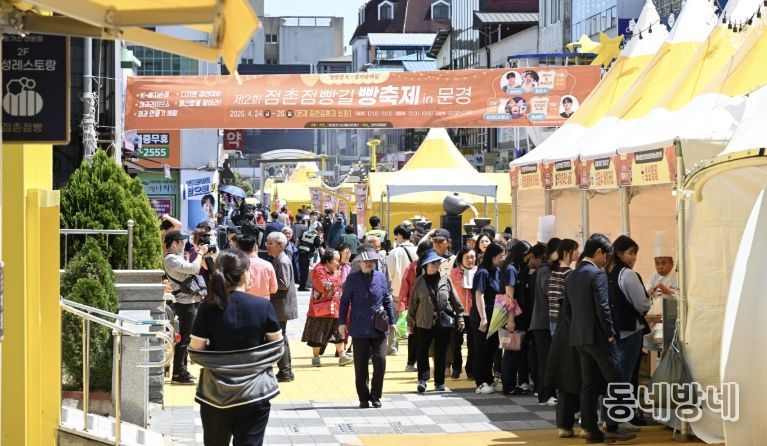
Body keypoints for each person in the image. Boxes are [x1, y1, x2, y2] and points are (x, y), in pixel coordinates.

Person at [188, 250, 284, 446]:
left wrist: (219, 361)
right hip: (255, 393)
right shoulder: (262, 306)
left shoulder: (208, 307)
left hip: (215, 394)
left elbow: (195, 350)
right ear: (245, 274)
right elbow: (277, 348)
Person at [565, 234, 635, 443]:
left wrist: (579, 329)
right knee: (616, 381)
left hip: (580, 338)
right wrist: (610, 333)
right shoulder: (597, 274)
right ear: (598, 252)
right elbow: (603, 307)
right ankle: (612, 426)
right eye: (606, 256)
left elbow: (566, 311)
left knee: (588, 385)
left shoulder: (572, 275)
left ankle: (591, 429)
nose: (606, 261)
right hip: (599, 337)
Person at [338, 248, 398, 408]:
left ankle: (376, 395)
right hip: (359, 327)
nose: (368, 264)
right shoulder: (352, 279)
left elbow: (386, 300)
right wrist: (342, 322)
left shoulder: (380, 277)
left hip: (379, 325)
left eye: (371, 261)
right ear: (359, 263)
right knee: (361, 364)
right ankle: (363, 398)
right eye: (365, 261)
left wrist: (392, 321)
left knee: (380, 361)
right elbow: (344, 302)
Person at [608, 235, 651, 429]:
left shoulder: (608, 273)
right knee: (624, 377)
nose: (634, 257)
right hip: (630, 331)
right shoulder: (628, 275)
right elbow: (642, 304)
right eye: (631, 253)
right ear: (619, 253)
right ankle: (619, 418)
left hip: (614, 331)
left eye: (635, 254)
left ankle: (612, 418)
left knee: (616, 376)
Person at [408, 250, 465, 393]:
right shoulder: (419, 281)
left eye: (437, 263)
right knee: (422, 352)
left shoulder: (446, 279)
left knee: (440, 352)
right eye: (432, 263)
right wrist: (410, 322)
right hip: (423, 322)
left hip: (442, 322)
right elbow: (413, 303)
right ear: (425, 266)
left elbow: (456, 301)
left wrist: (460, 317)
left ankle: (439, 382)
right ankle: (422, 380)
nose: (435, 265)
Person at [163, 230, 209, 384]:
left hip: (190, 300)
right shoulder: (170, 259)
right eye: (181, 242)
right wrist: (200, 253)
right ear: (174, 243)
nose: (183, 244)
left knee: (187, 338)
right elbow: (194, 268)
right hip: (184, 303)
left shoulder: (176, 257)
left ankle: (182, 370)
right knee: (184, 338)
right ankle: (177, 373)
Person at [302, 249, 354, 367]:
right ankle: (316, 358)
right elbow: (323, 286)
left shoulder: (335, 270)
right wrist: (335, 277)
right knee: (317, 334)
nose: (338, 263)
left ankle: (342, 355)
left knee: (338, 333)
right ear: (328, 260)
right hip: (320, 309)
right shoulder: (319, 269)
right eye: (336, 260)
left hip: (335, 306)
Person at [529, 238, 561, 405]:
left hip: (547, 322)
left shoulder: (549, 270)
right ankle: (545, 395)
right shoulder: (545, 270)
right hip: (543, 323)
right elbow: (549, 291)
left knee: (548, 359)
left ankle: (546, 393)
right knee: (546, 360)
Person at [471, 242, 506, 394]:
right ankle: (481, 382)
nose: (503, 258)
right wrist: (483, 318)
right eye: (500, 256)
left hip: (496, 316)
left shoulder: (498, 271)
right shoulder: (483, 272)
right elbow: (479, 295)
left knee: (492, 349)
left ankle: (489, 379)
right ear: (492, 257)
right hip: (483, 316)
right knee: (482, 349)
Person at [501, 240, 534, 395]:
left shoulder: (516, 268)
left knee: (516, 352)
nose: (529, 258)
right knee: (511, 352)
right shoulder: (510, 269)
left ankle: (512, 385)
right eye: (528, 255)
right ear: (523, 254)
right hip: (513, 315)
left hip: (519, 315)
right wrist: (511, 319)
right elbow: (509, 297)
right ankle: (508, 386)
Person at [267, 231, 299, 382]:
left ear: (280, 245)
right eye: (267, 243)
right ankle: (286, 371)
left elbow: (284, 284)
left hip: (281, 306)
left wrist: (267, 284)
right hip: (279, 305)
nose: (267, 246)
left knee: (279, 338)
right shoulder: (278, 259)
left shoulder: (282, 261)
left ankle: (285, 371)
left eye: (270, 243)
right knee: (281, 337)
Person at [398, 241, 434, 372]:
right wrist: (403, 307)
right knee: (414, 335)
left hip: (428, 306)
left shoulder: (432, 265)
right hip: (416, 306)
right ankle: (411, 362)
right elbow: (405, 288)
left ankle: (419, 362)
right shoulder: (412, 267)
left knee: (423, 336)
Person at [386, 225, 417, 355]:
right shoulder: (417, 250)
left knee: (393, 319)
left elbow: (389, 273)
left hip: (398, 292)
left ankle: (392, 347)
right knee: (415, 320)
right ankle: (415, 349)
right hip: (415, 291)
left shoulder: (395, 252)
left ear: (399, 235)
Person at [449, 247, 477, 380]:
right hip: (458, 313)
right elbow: (450, 292)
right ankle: (456, 367)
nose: (470, 260)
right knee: (455, 342)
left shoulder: (479, 272)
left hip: (473, 313)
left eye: (472, 257)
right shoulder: (454, 272)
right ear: (461, 259)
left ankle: (470, 368)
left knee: (473, 343)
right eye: (467, 257)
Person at [239, 235, 277, 300]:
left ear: (239, 248)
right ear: (256, 247)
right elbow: (274, 289)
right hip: (263, 302)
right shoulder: (268, 265)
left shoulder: (237, 265)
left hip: (244, 302)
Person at [297, 225, 323, 291]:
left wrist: (297, 247)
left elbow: (298, 240)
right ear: (319, 231)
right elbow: (319, 247)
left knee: (302, 270)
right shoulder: (316, 236)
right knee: (305, 272)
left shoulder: (305, 233)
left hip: (300, 253)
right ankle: (302, 287)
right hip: (306, 255)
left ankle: (301, 286)